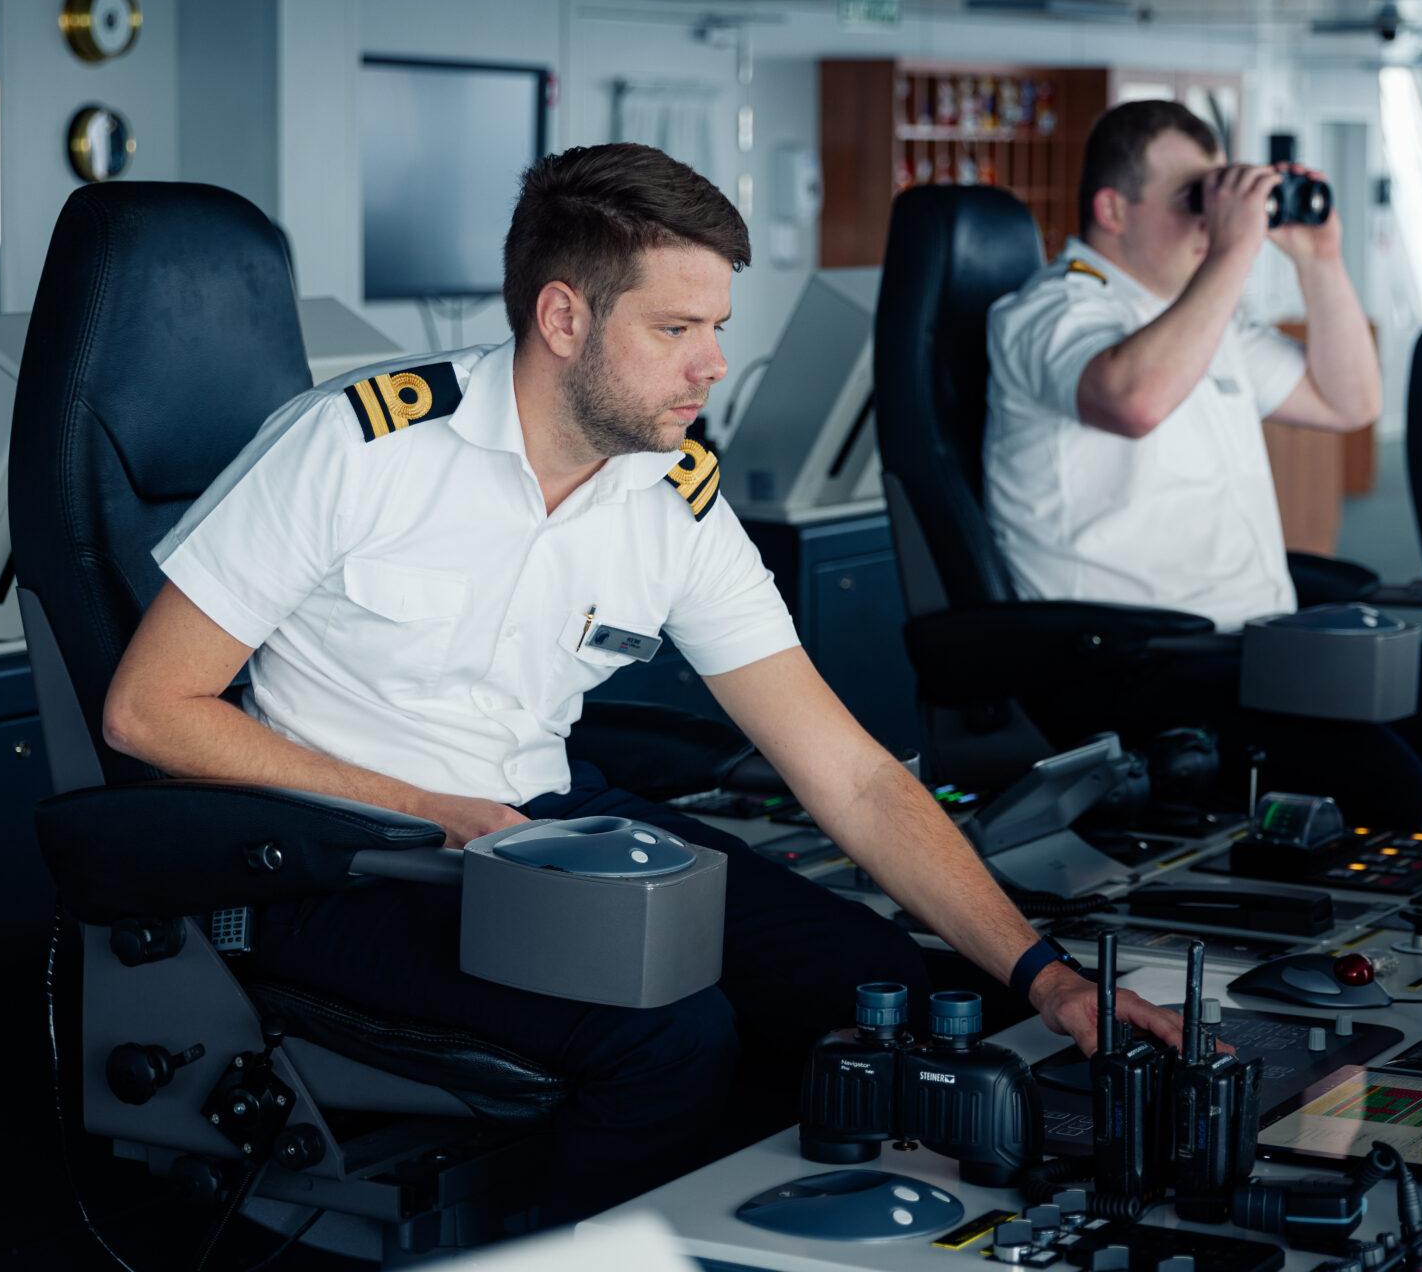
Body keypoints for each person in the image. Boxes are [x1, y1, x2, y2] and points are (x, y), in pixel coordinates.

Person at [102, 143, 1181, 1222]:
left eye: (717, 327)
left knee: (899, 993)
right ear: (564, 318)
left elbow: (848, 774)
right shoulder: (360, 446)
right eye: (676, 330)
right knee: (669, 1035)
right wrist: (424, 809)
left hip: (546, 833)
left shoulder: (674, 500)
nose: (710, 365)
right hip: (340, 860)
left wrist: (1045, 976)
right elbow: (150, 708)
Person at [984, 101, 1422, 828]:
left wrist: (1318, 261)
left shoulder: (1209, 318)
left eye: (1222, 200)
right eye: (1192, 201)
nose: (1214, 221)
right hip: (1137, 662)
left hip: (1262, 643)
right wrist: (1234, 251)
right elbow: (1134, 401)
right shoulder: (1050, 311)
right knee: (1381, 780)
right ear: (1112, 208)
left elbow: (1348, 401)